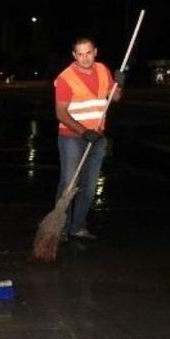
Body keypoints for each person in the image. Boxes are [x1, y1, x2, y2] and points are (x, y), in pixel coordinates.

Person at [53, 37, 124, 241]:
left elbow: (116, 97)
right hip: (72, 138)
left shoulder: (103, 70)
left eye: (88, 53)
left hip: (98, 138)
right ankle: (59, 228)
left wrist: (119, 84)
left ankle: (77, 227)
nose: (85, 58)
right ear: (74, 56)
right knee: (69, 184)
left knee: (89, 187)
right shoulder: (66, 78)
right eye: (80, 54)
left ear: (95, 52)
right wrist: (83, 131)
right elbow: (61, 113)